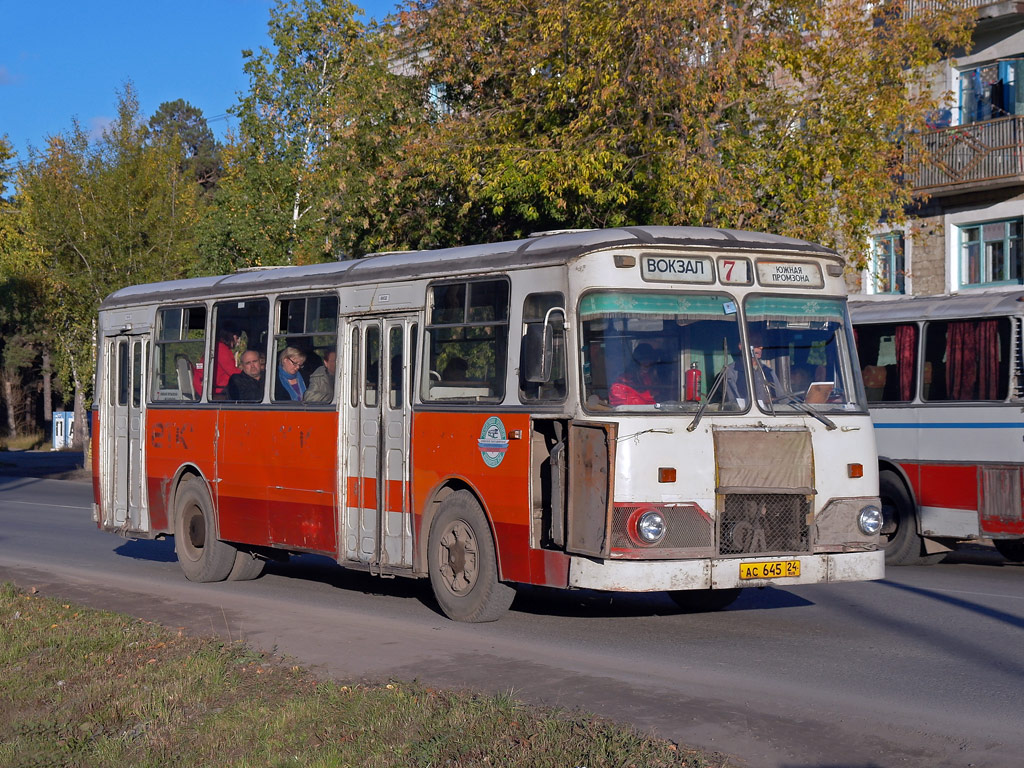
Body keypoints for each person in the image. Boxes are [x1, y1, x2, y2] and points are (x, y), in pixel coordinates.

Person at [725, 332, 780, 407]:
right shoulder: (731, 371)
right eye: (755, 345)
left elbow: (782, 400)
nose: (759, 348)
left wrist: (773, 400)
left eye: (760, 345)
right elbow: (734, 403)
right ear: (741, 346)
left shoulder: (769, 372)